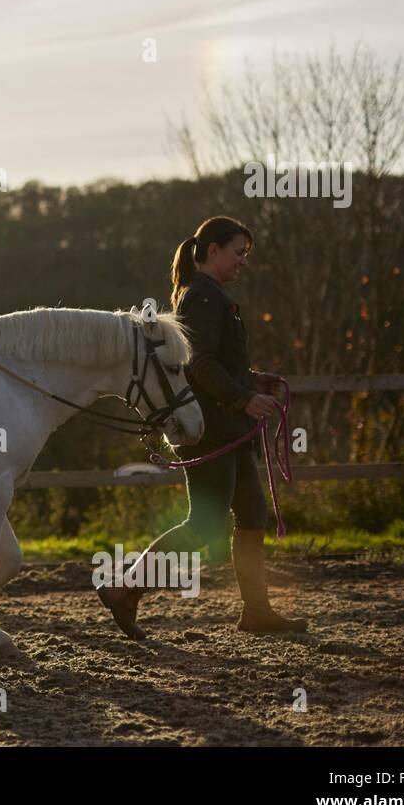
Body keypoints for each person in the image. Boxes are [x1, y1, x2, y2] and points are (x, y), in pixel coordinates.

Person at [97, 215, 308, 639]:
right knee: (206, 524)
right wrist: (244, 397)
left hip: (228, 425)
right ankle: (123, 588)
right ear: (214, 250)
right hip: (209, 427)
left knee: (251, 515)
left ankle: (257, 611)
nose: (243, 262)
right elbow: (199, 364)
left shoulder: (207, 295)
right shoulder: (204, 297)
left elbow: (216, 361)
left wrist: (250, 380)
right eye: (238, 253)